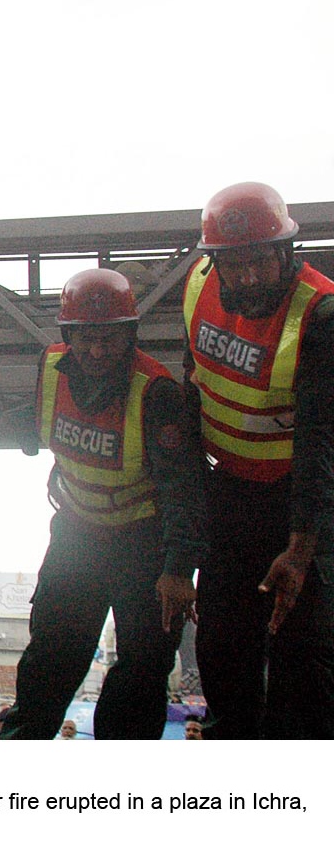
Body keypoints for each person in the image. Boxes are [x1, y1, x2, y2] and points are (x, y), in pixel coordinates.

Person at [0, 269, 207, 739]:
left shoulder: (157, 393)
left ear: (130, 334)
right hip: (78, 535)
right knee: (52, 654)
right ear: (69, 335)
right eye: (86, 339)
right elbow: (42, 418)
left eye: (110, 339)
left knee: (144, 662)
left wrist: (178, 570)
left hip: (143, 543)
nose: (97, 352)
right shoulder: (51, 367)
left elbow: (183, 488)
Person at [184, 181, 334, 740]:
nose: (248, 277)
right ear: (215, 263)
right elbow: (192, 382)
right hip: (230, 495)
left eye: (260, 262)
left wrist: (299, 551)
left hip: (298, 501)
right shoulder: (197, 286)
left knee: (302, 657)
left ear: (285, 253)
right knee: (222, 647)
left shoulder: (320, 318)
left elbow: (321, 445)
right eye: (235, 264)